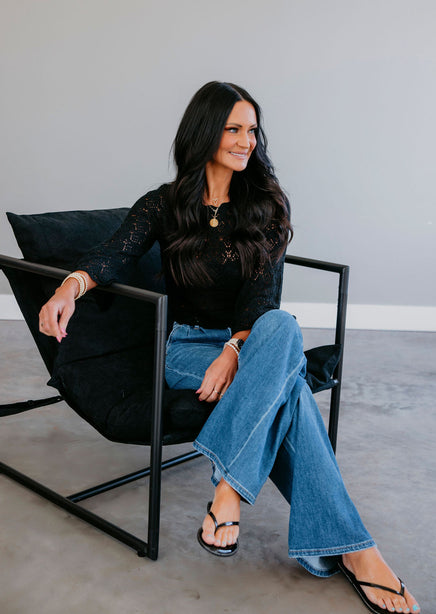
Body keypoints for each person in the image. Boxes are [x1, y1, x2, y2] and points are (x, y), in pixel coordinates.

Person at [38, 81, 420, 614]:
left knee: (281, 326)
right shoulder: (165, 204)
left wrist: (235, 351)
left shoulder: (265, 204)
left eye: (252, 130)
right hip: (188, 348)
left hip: (251, 343)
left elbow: (263, 299)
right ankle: (359, 552)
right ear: (204, 133)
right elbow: (113, 255)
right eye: (233, 129)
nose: (247, 141)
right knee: (290, 393)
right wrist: (68, 288)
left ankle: (229, 491)